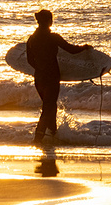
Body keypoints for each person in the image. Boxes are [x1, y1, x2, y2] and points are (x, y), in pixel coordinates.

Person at [26, 8, 86, 145]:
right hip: (51, 77)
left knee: (50, 106)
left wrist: (40, 68)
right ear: (48, 22)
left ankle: (52, 136)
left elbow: (29, 60)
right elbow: (71, 50)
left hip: (39, 78)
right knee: (48, 108)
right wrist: (85, 47)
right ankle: (37, 139)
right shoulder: (53, 38)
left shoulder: (31, 39)